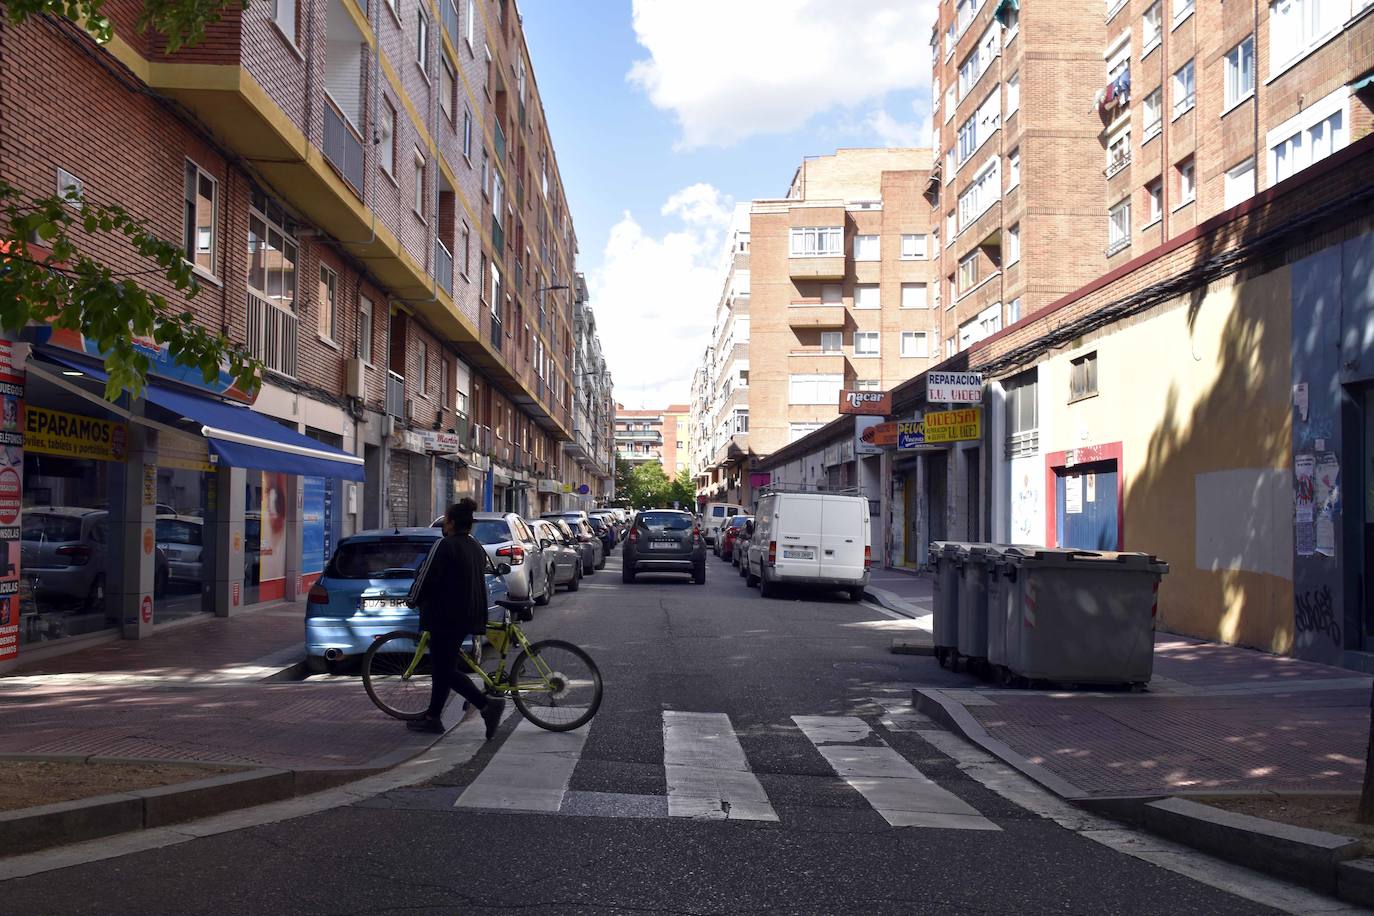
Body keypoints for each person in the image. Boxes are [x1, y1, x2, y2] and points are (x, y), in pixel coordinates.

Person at [408, 498, 505, 738]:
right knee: (444, 667)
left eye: (446, 519)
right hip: (468, 614)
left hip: (446, 615)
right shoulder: (474, 546)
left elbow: (425, 576)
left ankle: (486, 705)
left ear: (450, 523)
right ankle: (433, 717)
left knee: (444, 669)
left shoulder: (444, 545)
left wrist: (412, 600)